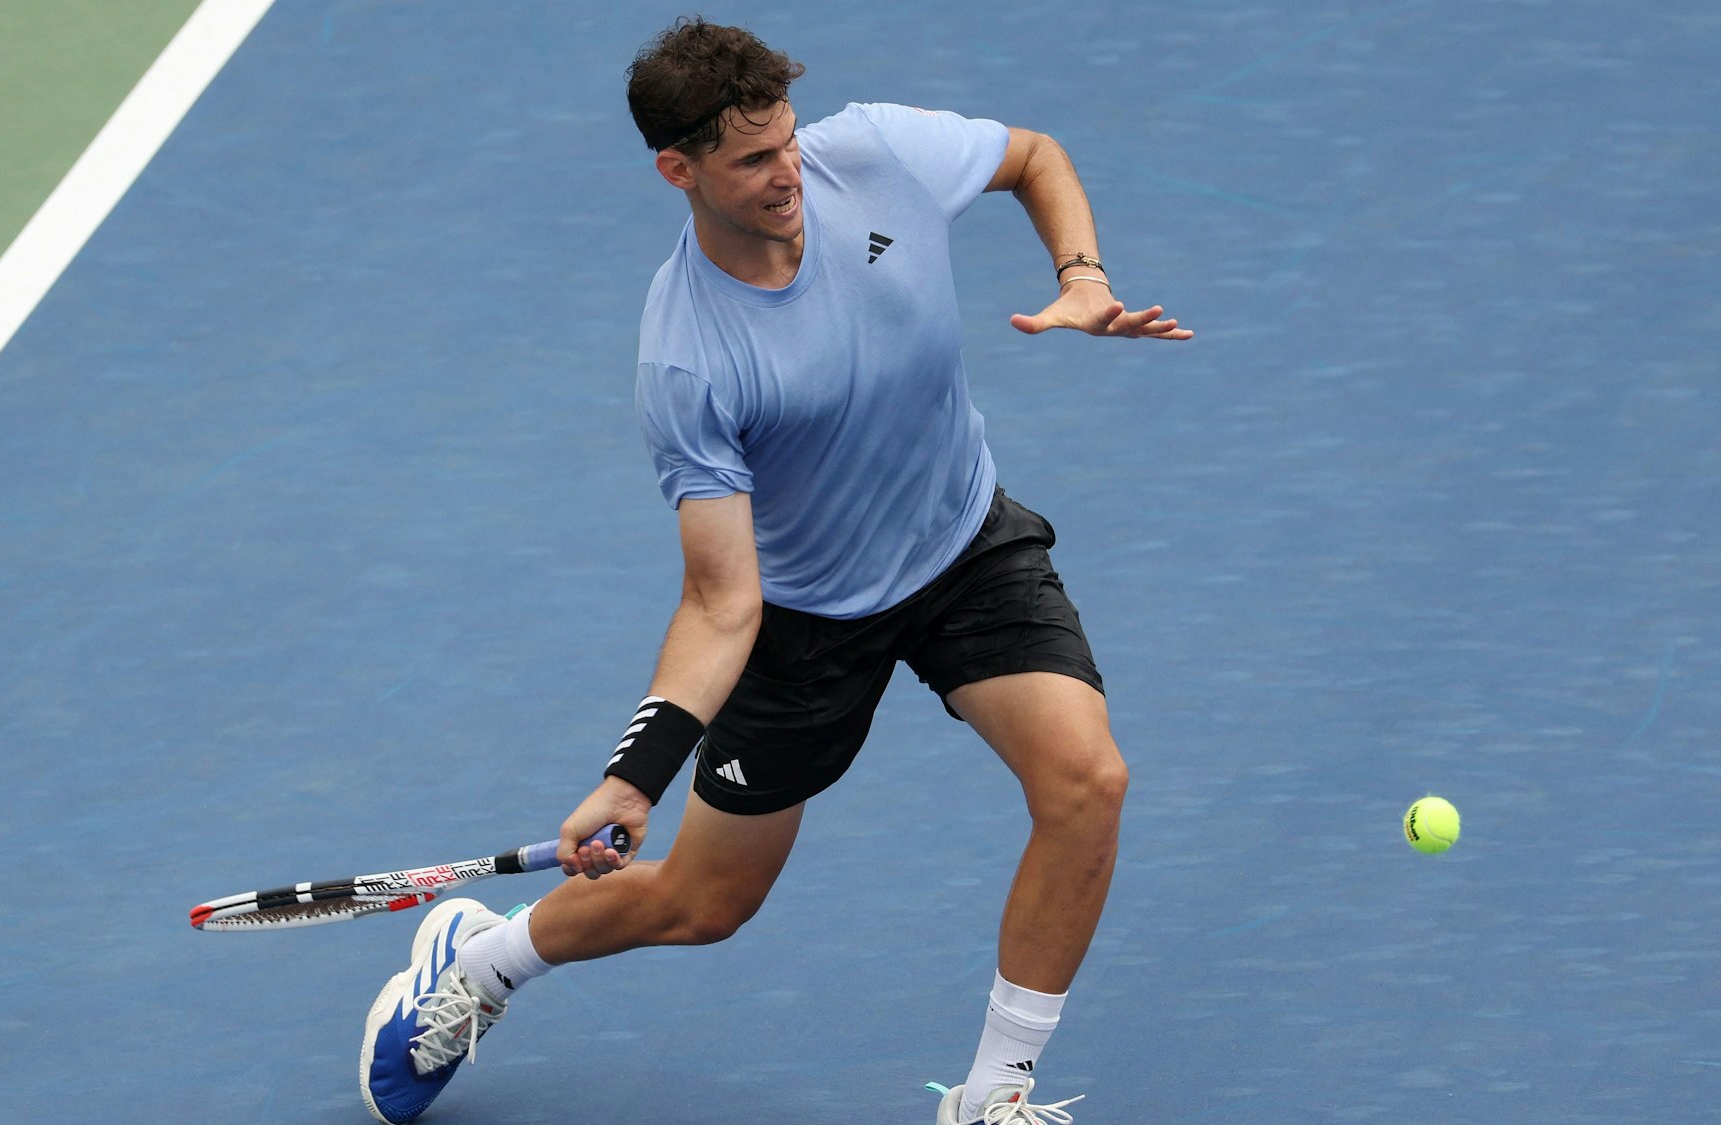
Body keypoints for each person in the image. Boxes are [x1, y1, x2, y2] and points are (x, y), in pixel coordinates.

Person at [360, 17, 1191, 1125]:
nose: (787, 173)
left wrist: (1080, 276)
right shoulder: (688, 356)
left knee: (1088, 783)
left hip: (959, 544)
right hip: (808, 620)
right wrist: (634, 774)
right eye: (751, 161)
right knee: (705, 906)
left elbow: (1031, 155)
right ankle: (485, 962)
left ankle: (991, 1098)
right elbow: (720, 598)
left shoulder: (877, 152)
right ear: (678, 170)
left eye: (786, 142)